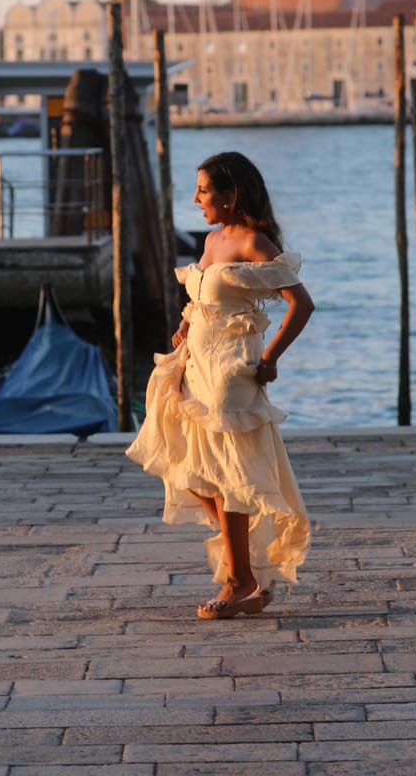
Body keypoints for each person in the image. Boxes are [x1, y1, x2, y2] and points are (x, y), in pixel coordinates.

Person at [126, 150, 314, 620]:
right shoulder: (212, 242)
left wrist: (270, 358)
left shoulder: (255, 243)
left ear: (232, 194)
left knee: (227, 475)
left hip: (231, 375)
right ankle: (246, 567)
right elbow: (205, 297)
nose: (196, 199)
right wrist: (186, 327)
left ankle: (239, 579)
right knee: (196, 470)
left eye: (205, 190)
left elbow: (301, 304)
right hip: (196, 368)